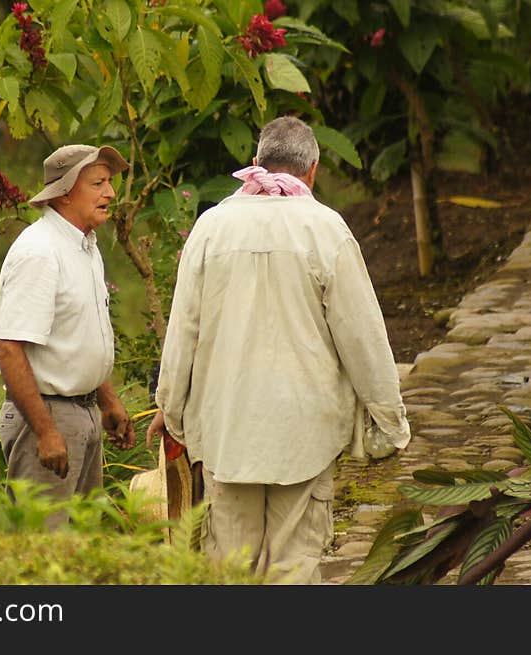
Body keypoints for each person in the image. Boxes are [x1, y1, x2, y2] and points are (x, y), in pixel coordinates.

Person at [146, 116, 411, 583]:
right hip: (304, 432)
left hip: (227, 430)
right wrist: (390, 420)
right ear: (313, 169)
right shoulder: (326, 229)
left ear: (255, 164)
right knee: (294, 566)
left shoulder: (211, 228)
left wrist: (171, 409)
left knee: (229, 569)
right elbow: (362, 334)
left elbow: (182, 329)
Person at [0, 143, 136, 530]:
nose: (110, 193)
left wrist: (106, 400)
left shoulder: (85, 247)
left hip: (82, 414)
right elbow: (9, 350)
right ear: (66, 192)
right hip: (48, 415)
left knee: (82, 549)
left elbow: (78, 336)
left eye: (110, 183)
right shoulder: (40, 252)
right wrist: (45, 431)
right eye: (99, 183)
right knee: (41, 555)